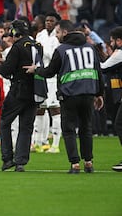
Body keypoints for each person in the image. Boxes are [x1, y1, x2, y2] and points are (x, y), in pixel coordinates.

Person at [24, 20, 104, 174]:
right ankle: (88, 163)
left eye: (58, 32)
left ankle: (75, 164)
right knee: (86, 128)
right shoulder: (90, 48)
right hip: (88, 93)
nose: (57, 35)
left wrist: (36, 70)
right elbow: (98, 71)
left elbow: (49, 72)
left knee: (68, 130)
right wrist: (99, 94)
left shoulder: (62, 50)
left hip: (69, 94)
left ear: (65, 33)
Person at [0, 20, 39, 172]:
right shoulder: (37, 45)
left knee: (5, 122)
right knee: (26, 127)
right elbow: (22, 64)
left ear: (15, 32)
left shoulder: (17, 47)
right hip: (35, 91)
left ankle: (7, 158)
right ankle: (21, 162)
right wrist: (4, 61)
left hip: (19, 90)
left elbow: (7, 72)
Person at [33, 12, 62, 154]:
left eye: (51, 21)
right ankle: (40, 142)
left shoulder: (57, 37)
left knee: (55, 108)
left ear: (56, 23)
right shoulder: (40, 35)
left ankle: (55, 144)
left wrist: (43, 51)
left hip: (54, 76)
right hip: (41, 75)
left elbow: (54, 55)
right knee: (40, 107)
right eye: (47, 21)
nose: (48, 23)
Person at [99, 27, 122, 172]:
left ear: (119, 41)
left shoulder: (120, 53)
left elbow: (103, 67)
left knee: (120, 124)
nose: (111, 43)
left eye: (112, 40)